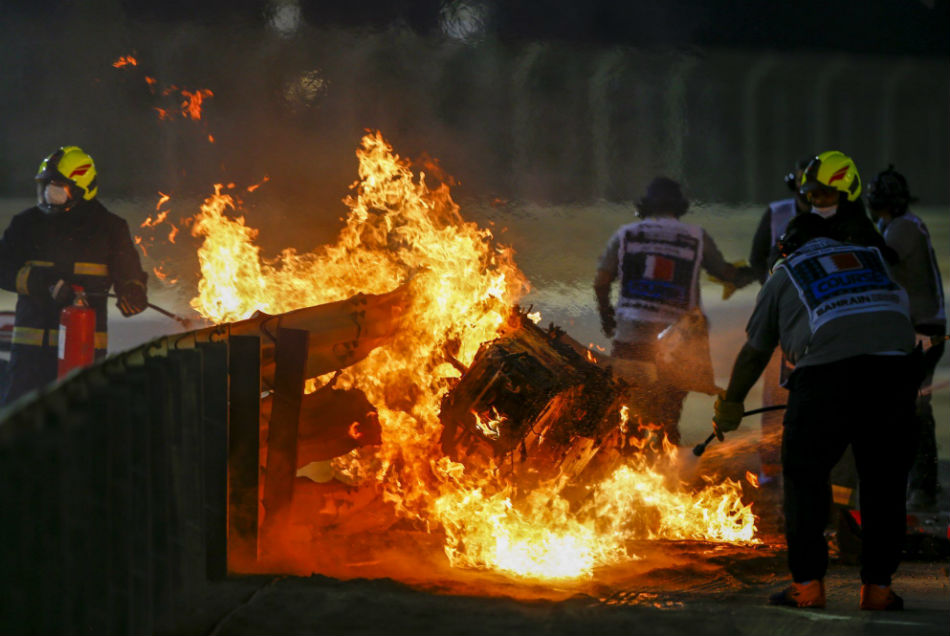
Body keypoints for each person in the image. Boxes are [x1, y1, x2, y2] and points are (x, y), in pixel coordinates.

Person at [712, 212, 918, 610]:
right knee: (884, 485)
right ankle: (878, 590)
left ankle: (807, 587)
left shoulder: (786, 271)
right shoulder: (871, 258)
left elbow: (756, 353)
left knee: (806, 481)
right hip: (894, 375)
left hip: (826, 379)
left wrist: (731, 404)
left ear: (787, 247)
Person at [594, 176, 756, 445]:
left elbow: (601, 281)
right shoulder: (695, 237)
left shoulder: (626, 235)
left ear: (645, 206)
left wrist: (607, 317)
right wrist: (749, 273)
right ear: (679, 207)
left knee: (627, 413)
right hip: (678, 347)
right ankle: (670, 474)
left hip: (630, 340)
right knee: (667, 418)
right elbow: (726, 273)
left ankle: (625, 468)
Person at [0, 146, 148, 405]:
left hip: (83, 354)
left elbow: (128, 270)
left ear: (81, 188)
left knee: (77, 427)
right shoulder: (26, 224)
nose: (49, 194)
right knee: (20, 428)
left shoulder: (110, 228)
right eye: (45, 186)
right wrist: (42, 283)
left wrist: (133, 290)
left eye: (58, 187)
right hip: (29, 359)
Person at [867, 165, 947, 510]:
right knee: (908, 405)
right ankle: (915, 485)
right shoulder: (898, 224)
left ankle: (922, 487)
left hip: (923, 329)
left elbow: (882, 259)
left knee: (915, 407)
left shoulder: (903, 228)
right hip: (918, 326)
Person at [748, 157, 812, 485]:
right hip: (782, 313)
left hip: (821, 312)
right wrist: (774, 287)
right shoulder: (776, 213)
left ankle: (813, 466)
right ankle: (772, 467)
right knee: (775, 391)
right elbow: (757, 258)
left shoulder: (838, 216)